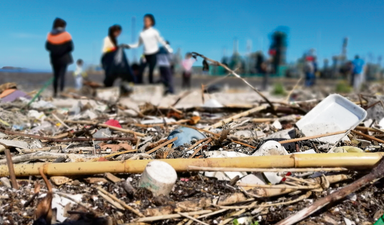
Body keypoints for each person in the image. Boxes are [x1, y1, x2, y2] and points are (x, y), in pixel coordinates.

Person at [128, 14, 173, 84]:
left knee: (151, 70)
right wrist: (129, 46)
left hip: (154, 53)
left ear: (152, 22)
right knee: (141, 68)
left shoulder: (155, 32)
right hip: (144, 54)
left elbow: (161, 40)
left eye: (148, 21)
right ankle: (139, 82)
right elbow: (138, 44)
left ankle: (151, 83)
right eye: (144, 21)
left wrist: (169, 49)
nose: (146, 22)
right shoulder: (141, 33)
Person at [46, 18, 74, 97]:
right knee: (62, 76)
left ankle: (55, 93)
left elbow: (47, 47)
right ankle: (61, 93)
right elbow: (71, 47)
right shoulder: (66, 34)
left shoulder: (50, 35)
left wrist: (55, 50)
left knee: (55, 76)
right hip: (64, 58)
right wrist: (62, 50)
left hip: (54, 58)